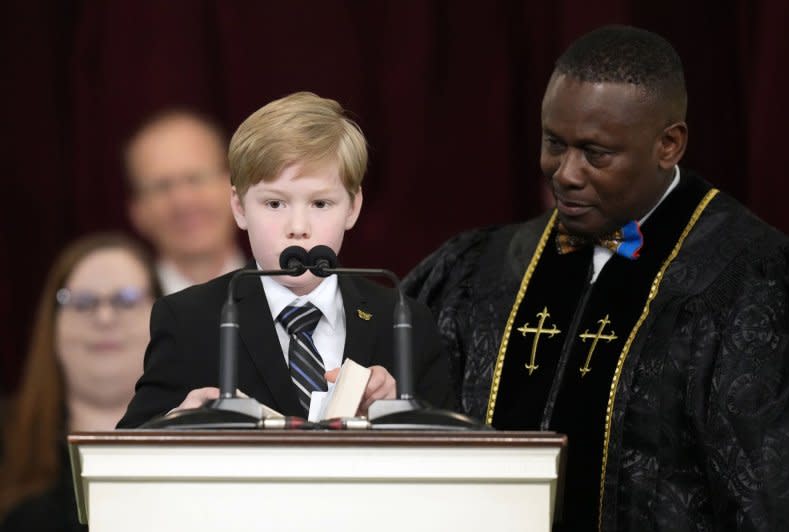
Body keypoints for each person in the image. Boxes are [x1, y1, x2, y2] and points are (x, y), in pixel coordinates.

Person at [402, 25, 789, 531]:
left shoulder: (753, 284)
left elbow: (773, 498)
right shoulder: (477, 268)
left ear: (668, 145)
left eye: (595, 153)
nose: (565, 173)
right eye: (553, 143)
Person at [117, 91, 452, 428]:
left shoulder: (404, 321)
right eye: (275, 204)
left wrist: (401, 416)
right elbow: (124, 458)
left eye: (320, 204)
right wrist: (177, 422)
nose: (298, 228)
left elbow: (457, 458)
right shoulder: (188, 319)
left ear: (352, 207)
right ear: (238, 207)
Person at [0, 233, 161, 531]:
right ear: (53, 323)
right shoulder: (6, 439)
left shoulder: (201, 442)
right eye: (83, 302)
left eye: (125, 300)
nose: (103, 317)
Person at [124, 109, 245, 294]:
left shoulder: (295, 298)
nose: (183, 201)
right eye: (161, 186)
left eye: (195, 178)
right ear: (137, 211)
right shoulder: (123, 317)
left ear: (235, 187)